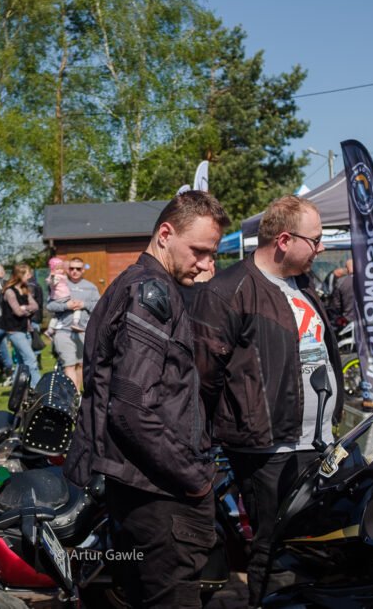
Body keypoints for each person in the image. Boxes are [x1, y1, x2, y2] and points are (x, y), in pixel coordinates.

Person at [64, 190, 229, 609]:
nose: (206, 263)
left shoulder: (142, 284)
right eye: (199, 251)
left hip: (143, 484)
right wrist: (196, 478)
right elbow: (131, 407)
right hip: (158, 493)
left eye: (212, 254)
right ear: (165, 234)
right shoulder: (150, 292)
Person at [192, 195, 344, 606]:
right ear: (284, 240)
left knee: (317, 544)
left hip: (318, 443)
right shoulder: (228, 291)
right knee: (275, 551)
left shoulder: (302, 283)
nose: (321, 248)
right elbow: (203, 378)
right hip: (268, 451)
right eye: (315, 239)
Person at [46, 256, 100, 391]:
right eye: (72, 268)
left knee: (80, 365)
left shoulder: (91, 287)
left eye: (78, 269)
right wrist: (66, 306)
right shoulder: (60, 284)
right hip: (63, 331)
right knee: (69, 364)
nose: (75, 271)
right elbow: (50, 306)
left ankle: (76, 396)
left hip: (83, 332)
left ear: (83, 270)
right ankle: (72, 396)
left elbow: (99, 307)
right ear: (67, 269)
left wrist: (84, 304)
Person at [0, 264, 41, 387]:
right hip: (15, 331)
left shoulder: (24, 289)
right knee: (31, 359)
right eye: (27, 274)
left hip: (26, 330)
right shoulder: (9, 292)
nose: (30, 276)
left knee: (21, 362)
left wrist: (25, 308)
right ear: (19, 275)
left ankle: (19, 389)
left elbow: (35, 306)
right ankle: (37, 388)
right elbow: (17, 311)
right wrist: (27, 310)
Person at [45, 256, 83, 334]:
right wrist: (52, 276)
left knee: (57, 315)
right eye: (57, 269)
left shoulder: (62, 276)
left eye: (61, 268)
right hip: (62, 297)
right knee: (77, 308)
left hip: (60, 297)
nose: (60, 270)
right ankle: (75, 323)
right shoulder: (56, 276)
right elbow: (52, 283)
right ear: (53, 269)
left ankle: (49, 330)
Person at [327, 258, 357, 326]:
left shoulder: (341, 282)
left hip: (348, 321)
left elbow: (336, 305)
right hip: (365, 319)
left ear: (347, 268)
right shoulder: (366, 281)